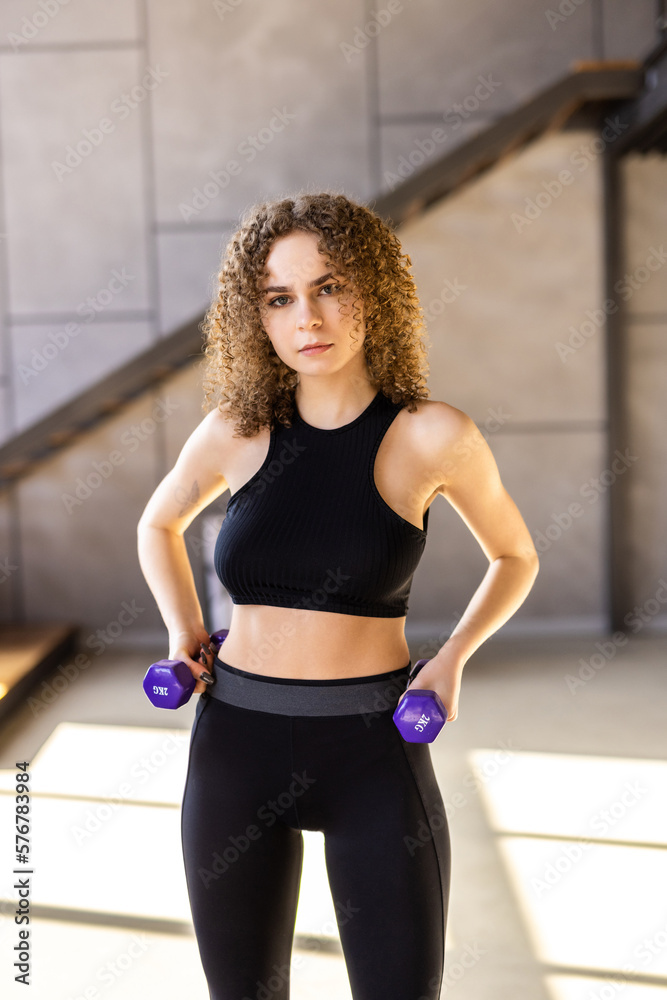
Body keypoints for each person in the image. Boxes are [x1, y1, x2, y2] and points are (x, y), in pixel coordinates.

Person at [137, 191, 539, 1000]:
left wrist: (452, 659)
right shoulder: (236, 430)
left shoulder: (431, 434)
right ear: (256, 317)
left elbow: (513, 554)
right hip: (235, 747)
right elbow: (157, 524)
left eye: (330, 287)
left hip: (371, 748)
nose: (307, 317)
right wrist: (184, 632)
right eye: (279, 298)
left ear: (374, 293)